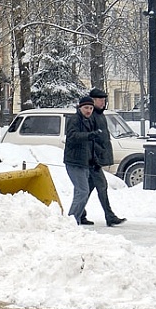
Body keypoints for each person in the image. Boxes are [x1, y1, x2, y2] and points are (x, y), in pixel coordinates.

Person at [82, 87, 126, 227]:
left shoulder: (100, 115)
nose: (103, 102)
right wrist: (96, 155)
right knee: (102, 186)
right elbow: (91, 139)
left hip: (97, 158)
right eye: (101, 100)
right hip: (93, 159)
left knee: (87, 188)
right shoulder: (91, 115)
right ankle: (110, 216)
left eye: (104, 100)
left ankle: (78, 214)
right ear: (93, 100)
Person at [63, 96, 102, 224]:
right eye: (86, 108)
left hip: (85, 163)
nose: (88, 110)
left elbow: (89, 145)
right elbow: (73, 136)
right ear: (80, 108)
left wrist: (94, 160)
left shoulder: (88, 121)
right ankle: (71, 220)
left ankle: (76, 217)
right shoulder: (74, 120)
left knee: (80, 192)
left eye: (91, 108)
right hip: (74, 162)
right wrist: (90, 135)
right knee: (83, 191)